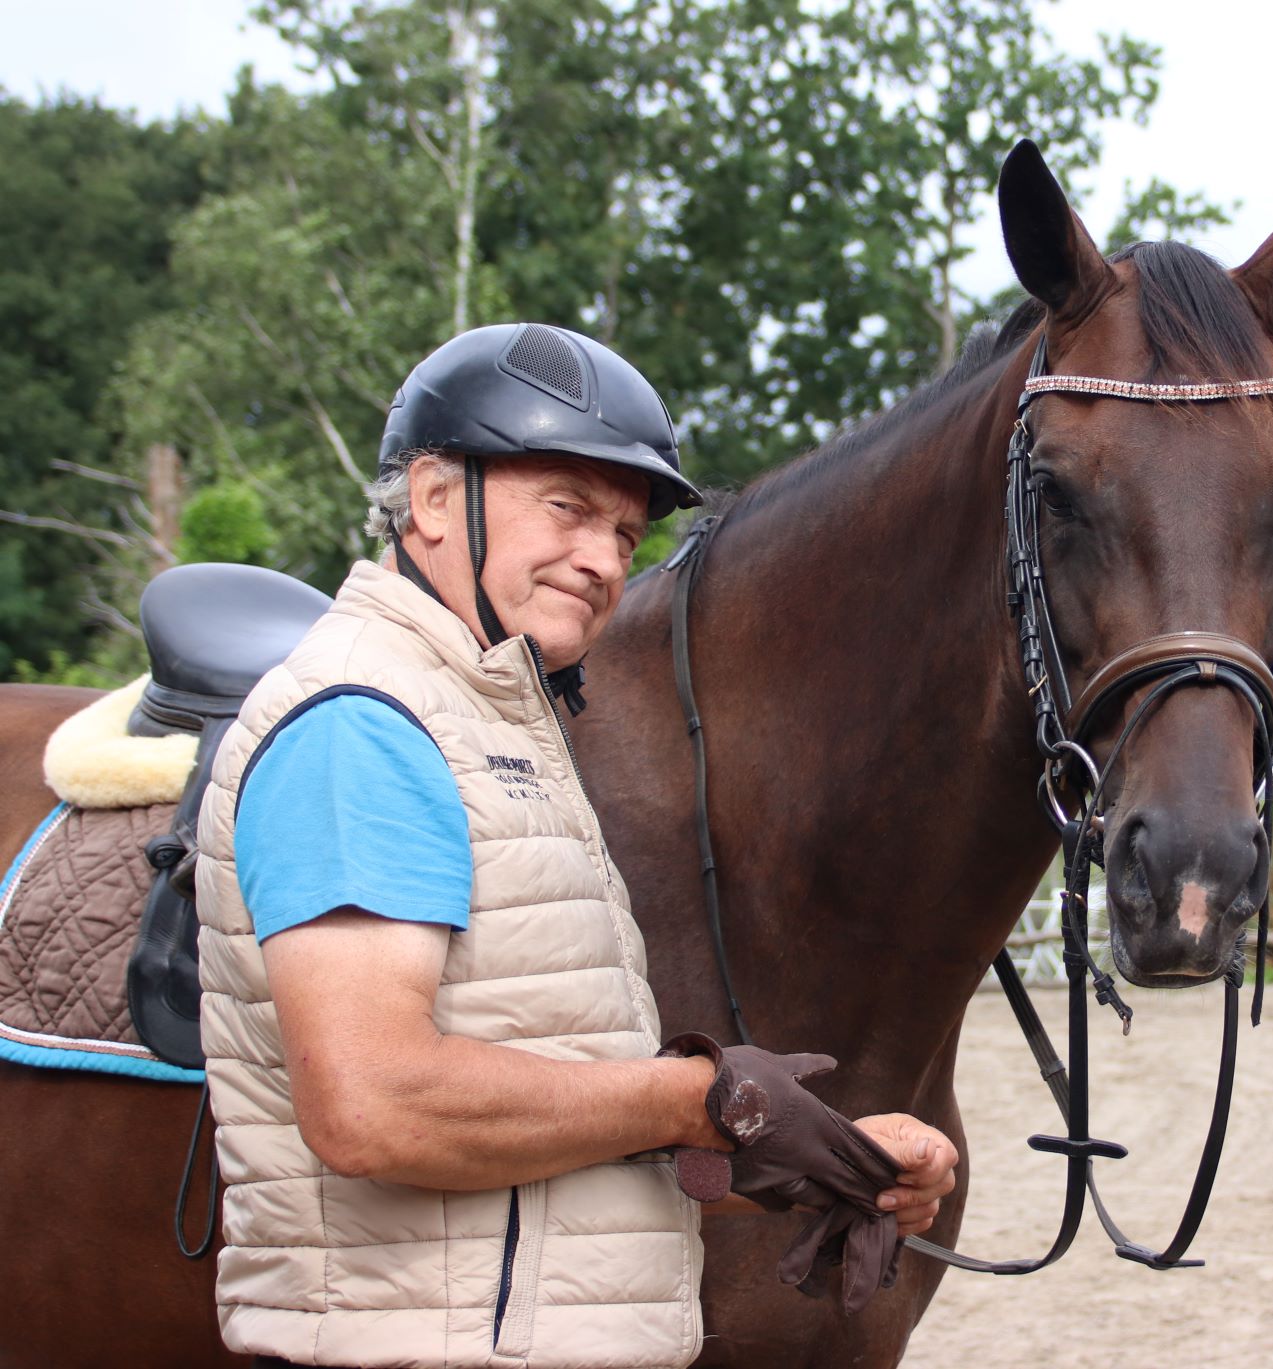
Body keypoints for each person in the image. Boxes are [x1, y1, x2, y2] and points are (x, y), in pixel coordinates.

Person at [195, 323, 959, 1369]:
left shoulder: (501, 728)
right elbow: (373, 1105)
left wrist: (825, 1152)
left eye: (626, 534)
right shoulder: (363, 728)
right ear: (429, 500)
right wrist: (698, 1097)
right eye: (567, 509)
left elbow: (561, 1134)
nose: (604, 560)